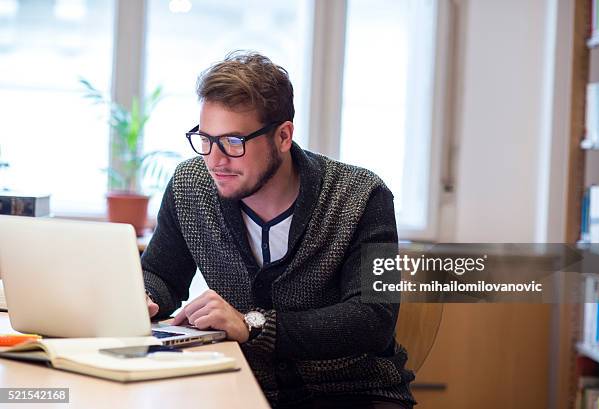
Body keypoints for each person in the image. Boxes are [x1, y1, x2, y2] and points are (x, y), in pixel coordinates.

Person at [141, 51, 415, 409]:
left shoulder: (362, 195)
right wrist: (143, 297)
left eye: (233, 142)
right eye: (205, 139)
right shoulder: (190, 185)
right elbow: (162, 275)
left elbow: (372, 318)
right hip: (242, 386)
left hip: (352, 391)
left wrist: (252, 326)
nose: (215, 160)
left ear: (283, 136)